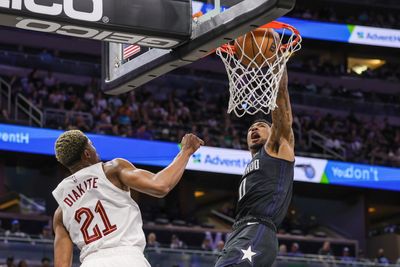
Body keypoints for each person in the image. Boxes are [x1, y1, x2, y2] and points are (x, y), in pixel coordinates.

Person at [52, 130, 203, 267]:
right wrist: (186, 151)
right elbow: (161, 185)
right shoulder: (112, 170)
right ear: (87, 154)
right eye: (92, 145)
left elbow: (61, 265)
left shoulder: (61, 211)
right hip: (127, 258)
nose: (96, 150)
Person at [215, 67, 295, 267]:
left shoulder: (278, 147)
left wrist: (277, 64)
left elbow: (282, 103)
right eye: (251, 128)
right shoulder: (253, 162)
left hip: (259, 227)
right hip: (240, 230)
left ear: (273, 133)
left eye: (261, 126)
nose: (254, 129)